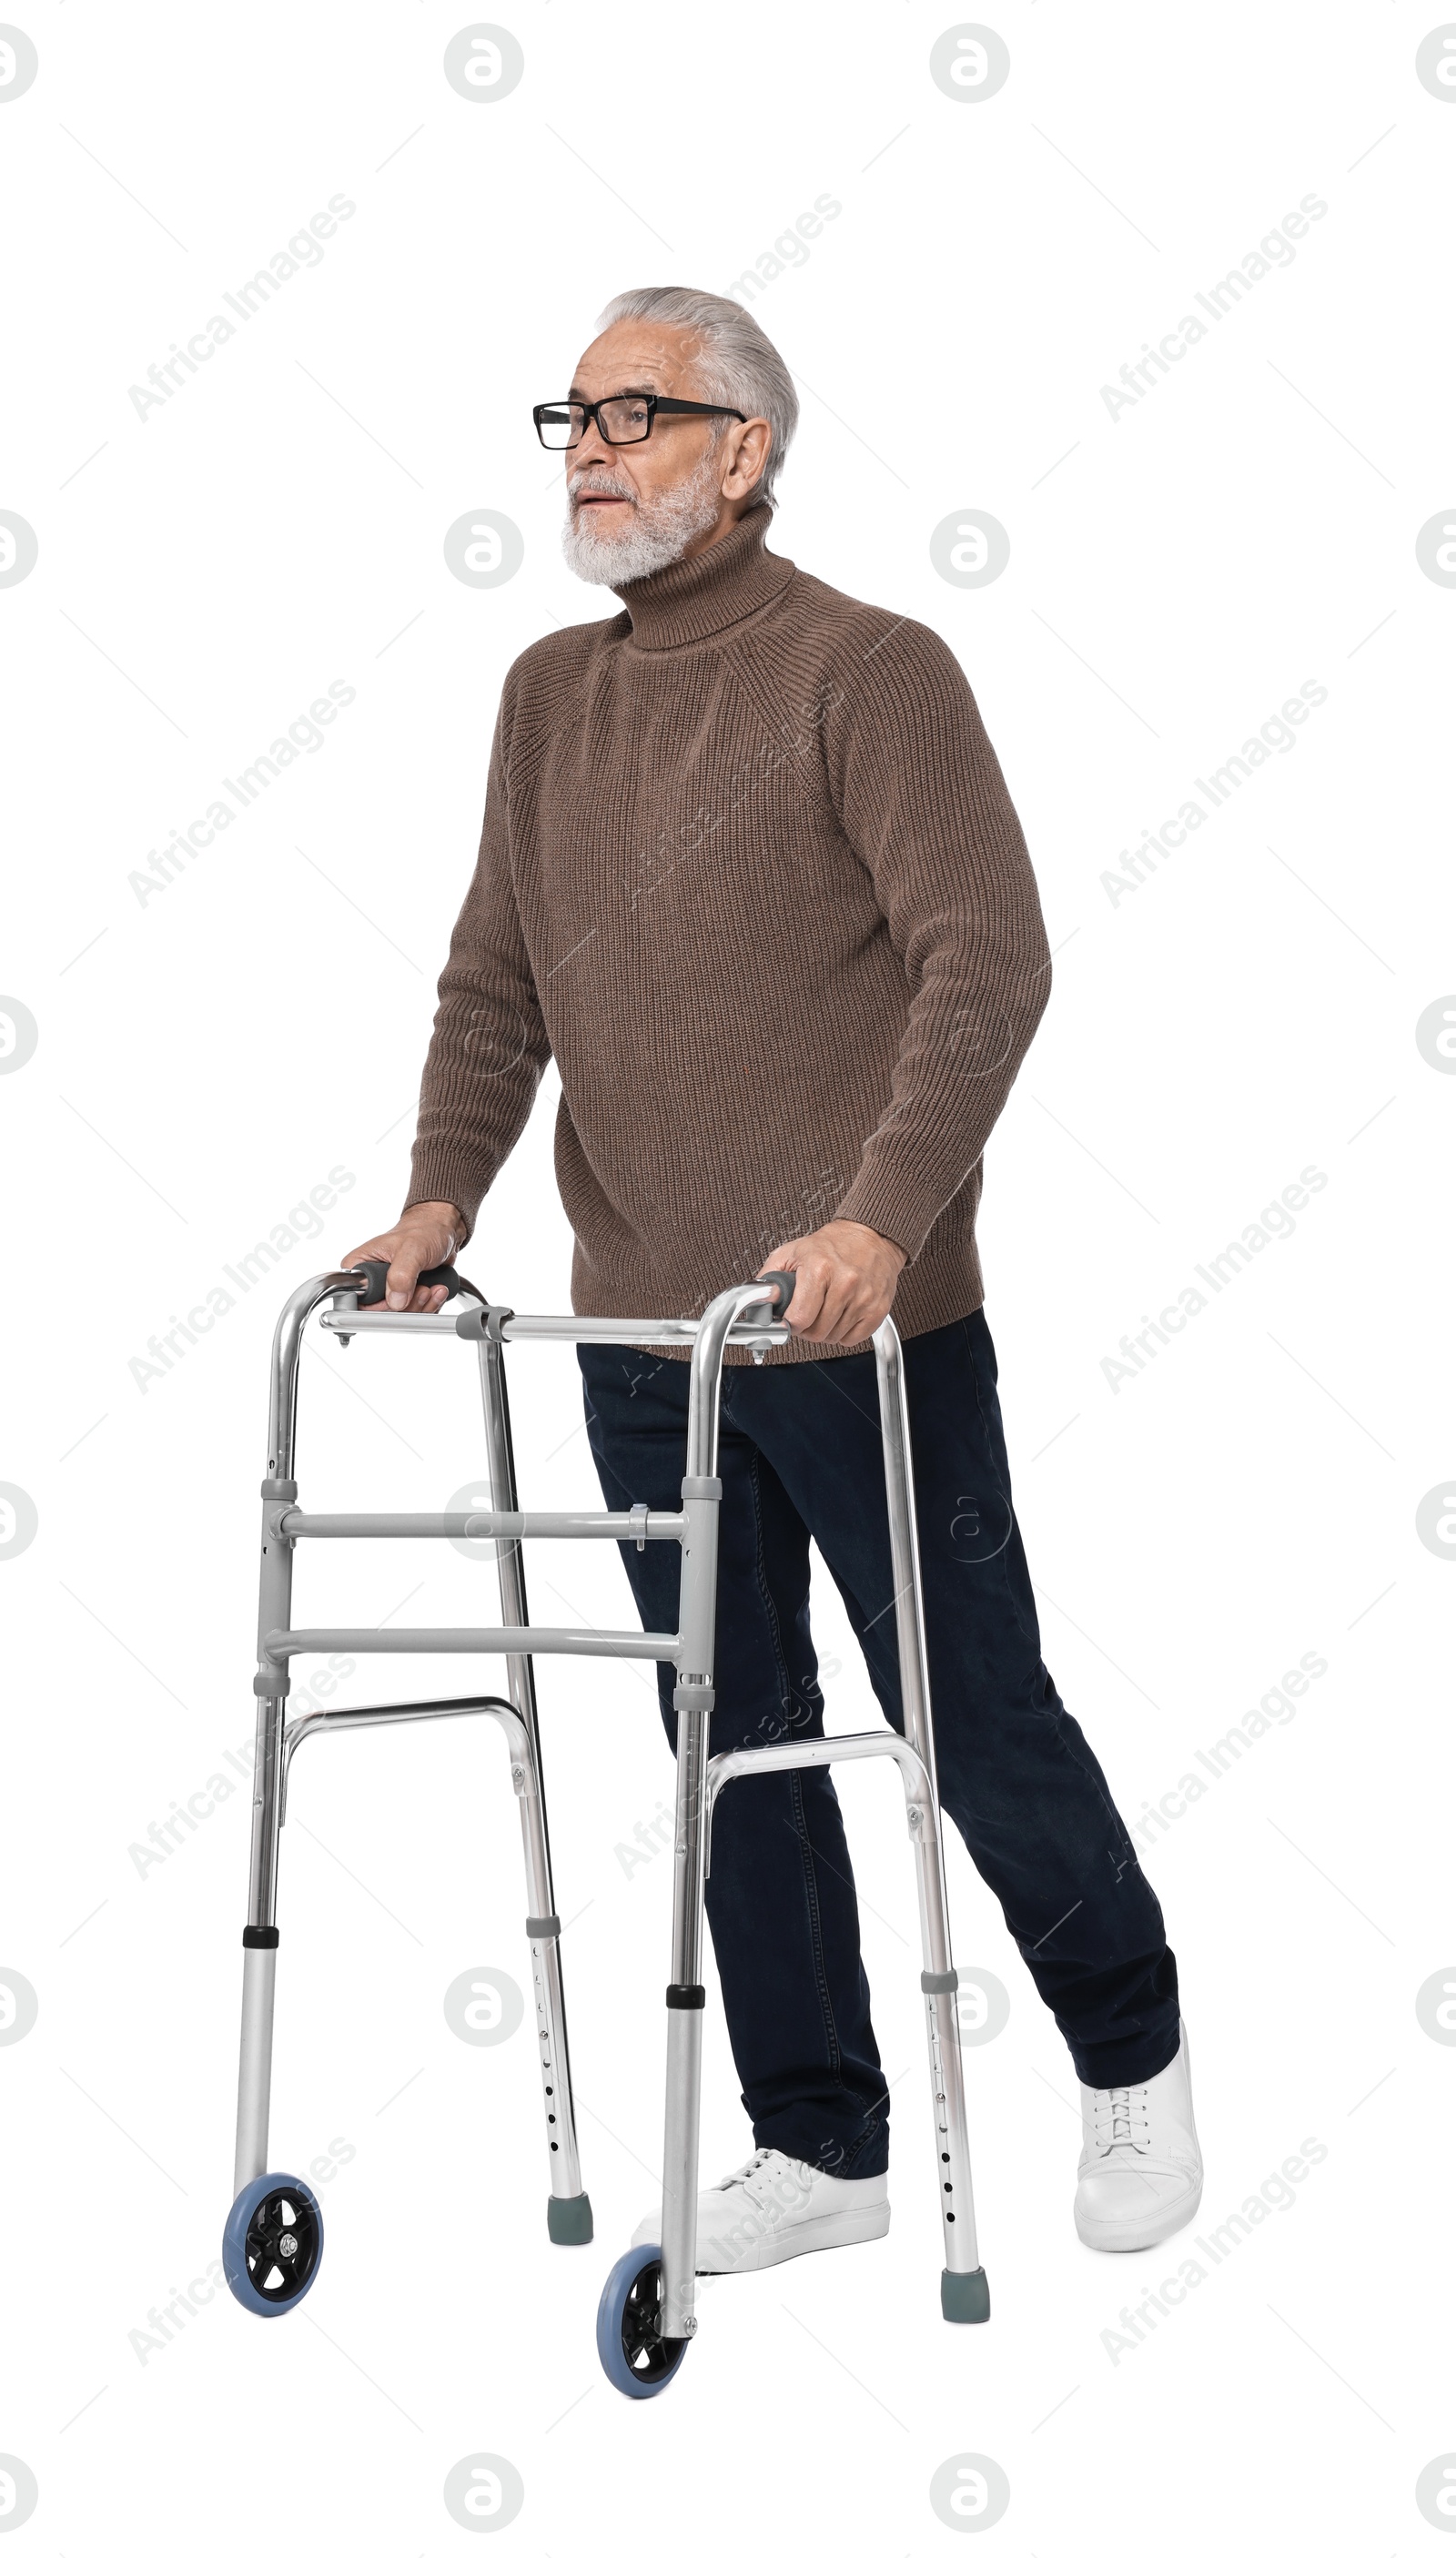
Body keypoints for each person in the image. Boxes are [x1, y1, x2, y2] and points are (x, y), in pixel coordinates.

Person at [346, 286, 1202, 2271]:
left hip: (860, 1324)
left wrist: (878, 1221)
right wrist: (435, 1199)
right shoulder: (546, 696)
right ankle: (817, 2139)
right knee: (722, 1730)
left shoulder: (870, 671)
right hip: (646, 1328)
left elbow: (984, 962)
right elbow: (497, 983)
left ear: (744, 449)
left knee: (962, 1708)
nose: (587, 442)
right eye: (569, 410)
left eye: (636, 411)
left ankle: (1129, 2044)